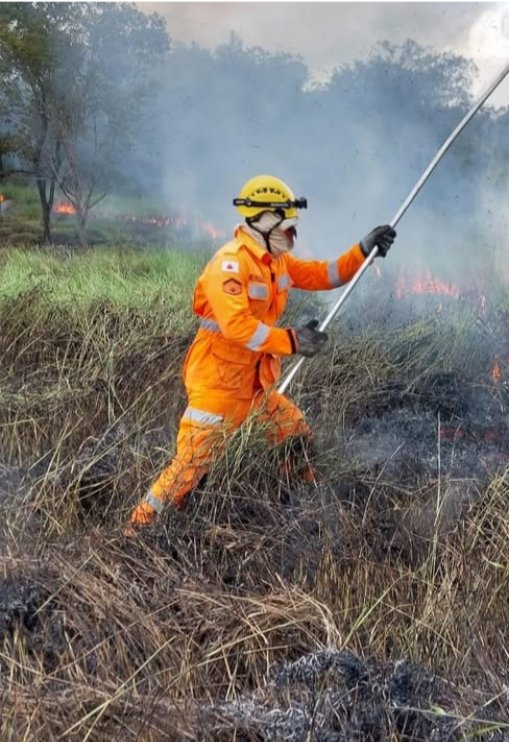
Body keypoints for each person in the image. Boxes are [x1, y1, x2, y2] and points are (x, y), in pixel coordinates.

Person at [126, 174, 396, 530]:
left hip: (255, 387)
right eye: (287, 226)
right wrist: (293, 341)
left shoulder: (276, 262)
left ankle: (301, 508)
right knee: (189, 468)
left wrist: (362, 251)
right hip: (219, 386)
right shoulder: (230, 265)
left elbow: (323, 274)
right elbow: (238, 327)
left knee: (294, 437)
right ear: (263, 221)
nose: (293, 235)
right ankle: (137, 531)